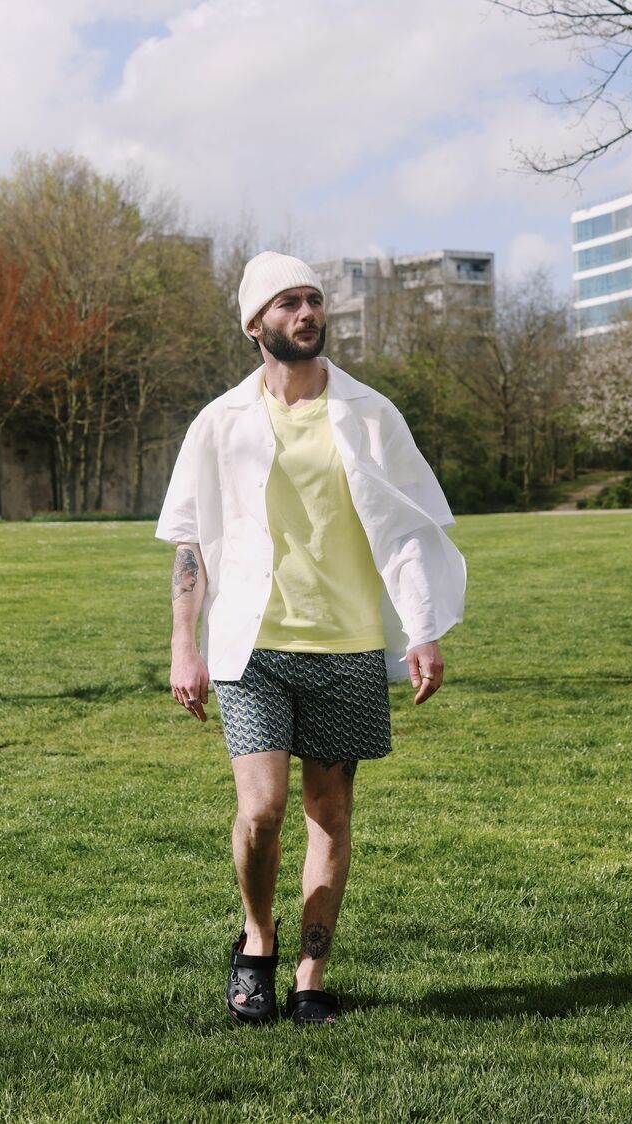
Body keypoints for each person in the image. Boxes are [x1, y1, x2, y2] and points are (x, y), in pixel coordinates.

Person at [156, 251, 466, 1026]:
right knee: (261, 811)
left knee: (329, 813)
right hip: (251, 647)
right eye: (288, 303)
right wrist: (184, 645)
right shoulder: (219, 423)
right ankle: (257, 940)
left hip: (347, 644)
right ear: (255, 324)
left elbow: (408, 530)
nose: (307, 313)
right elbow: (190, 543)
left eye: (314, 300)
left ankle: (310, 975)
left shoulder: (370, 414)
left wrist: (422, 628)